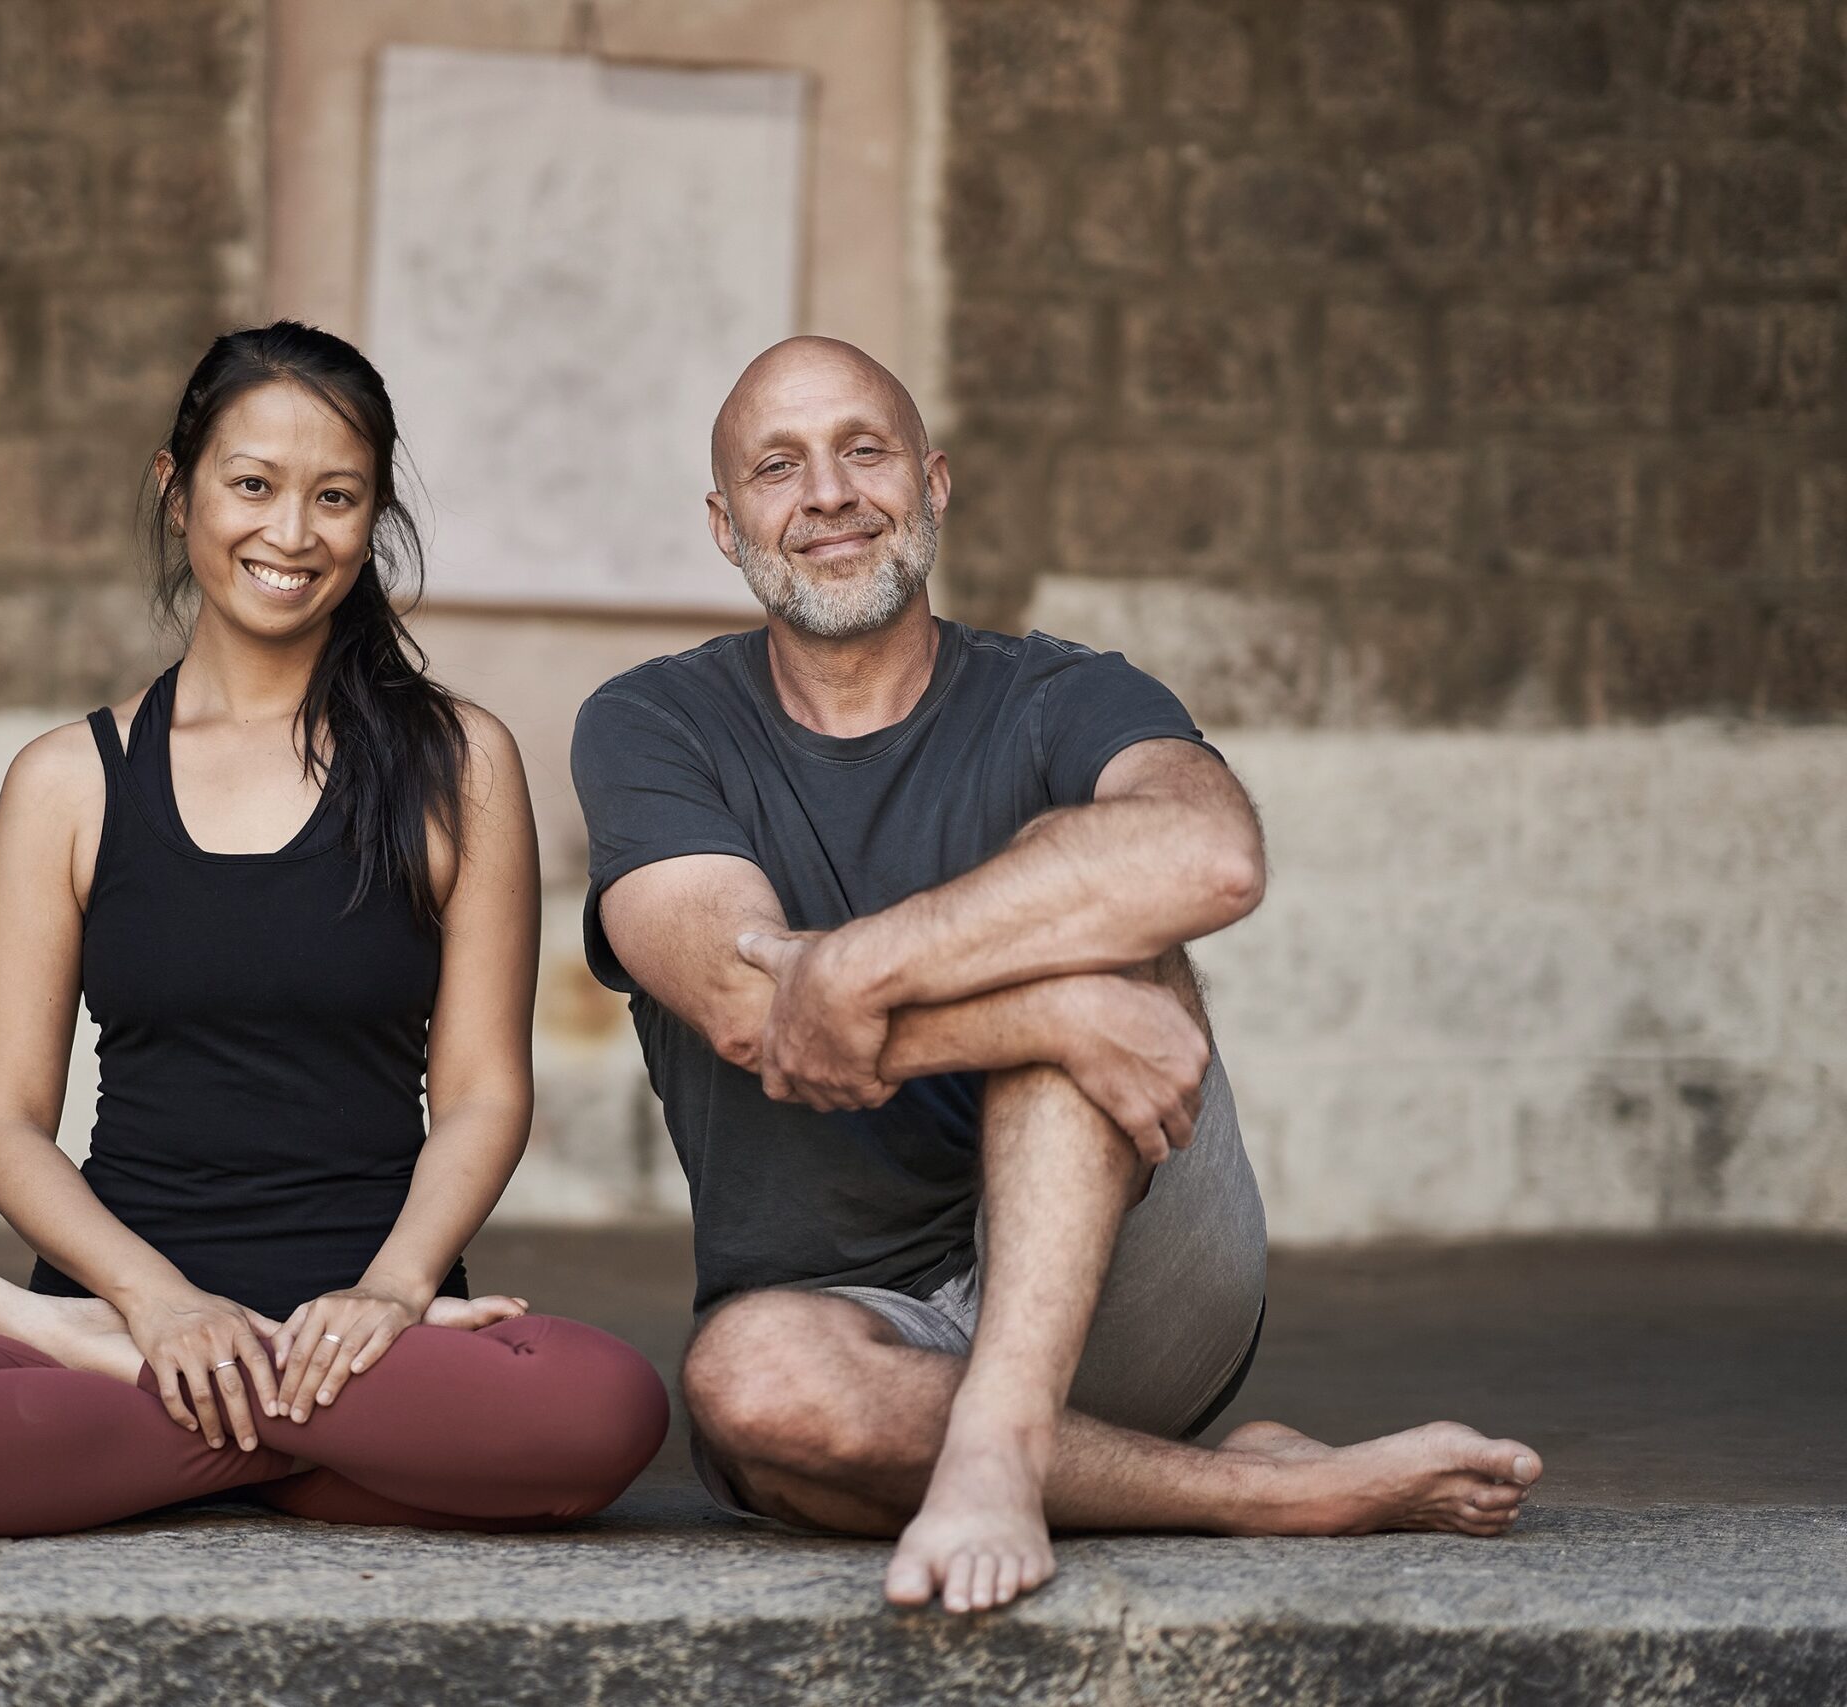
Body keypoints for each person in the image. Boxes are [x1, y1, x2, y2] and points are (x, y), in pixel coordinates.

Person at [569, 335, 1543, 1612]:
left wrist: (862, 962)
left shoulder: (1064, 692)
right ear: (723, 521)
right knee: (751, 1390)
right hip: (852, 1321)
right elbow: (749, 1008)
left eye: (865, 451)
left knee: (1098, 899)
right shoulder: (653, 722)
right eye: (776, 466)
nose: (828, 495)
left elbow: (1208, 856)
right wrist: (1056, 1009)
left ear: (933, 481)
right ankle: (1277, 1493)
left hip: (1131, 1290)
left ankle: (1001, 1450)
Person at [0, 321, 666, 1538]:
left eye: (336, 497)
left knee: (598, 1412)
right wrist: (154, 1309)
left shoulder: (461, 767)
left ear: (373, 514)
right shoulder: (68, 782)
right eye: (252, 485)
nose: (291, 534)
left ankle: (83, 1371)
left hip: (369, 1338)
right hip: (133, 1296)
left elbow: (479, 1096)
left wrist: (397, 1290)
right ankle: (297, 1444)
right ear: (175, 489)